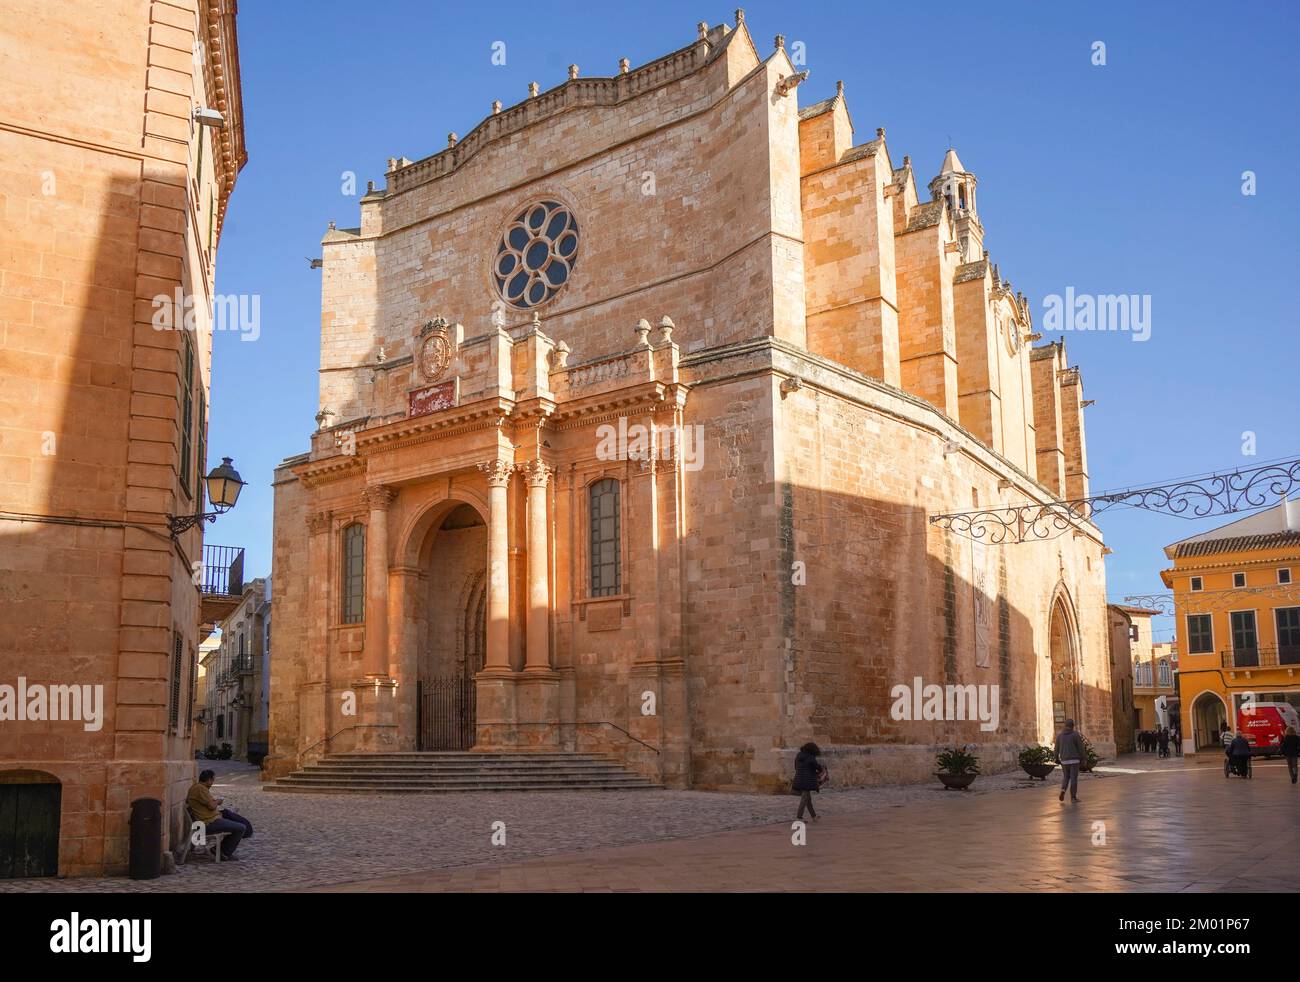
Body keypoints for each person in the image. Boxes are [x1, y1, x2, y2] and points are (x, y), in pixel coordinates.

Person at [186, 769, 246, 860]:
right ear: (209, 780)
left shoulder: (198, 788)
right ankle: (224, 852)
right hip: (208, 822)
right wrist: (218, 801)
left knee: (234, 821)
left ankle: (222, 850)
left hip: (210, 819)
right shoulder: (200, 788)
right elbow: (211, 806)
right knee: (241, 828)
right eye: (212, 780)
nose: (212, 783)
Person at [792, 742, 826, 822]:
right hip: (807, 781)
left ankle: (814, 816)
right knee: (804, 799)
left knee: (807, 799)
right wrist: (822, 768)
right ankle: (799, 817)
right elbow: (818, 768)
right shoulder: (811, 757)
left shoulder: (798, 756)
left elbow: (795, 767)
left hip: (799, 779)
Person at [1055, 719, 1087, 803]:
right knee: (1073, 778)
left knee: (1066, 777)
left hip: (1064, 761)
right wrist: (1083, 758)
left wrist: (1056, 759)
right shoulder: (1075, 735)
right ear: (1073, 726)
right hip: (1074, 761)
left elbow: (1056, 749)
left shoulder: (1059, 736)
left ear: (1065, 725)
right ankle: (1073, 798)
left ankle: (1063, 790)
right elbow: (1081, 748)